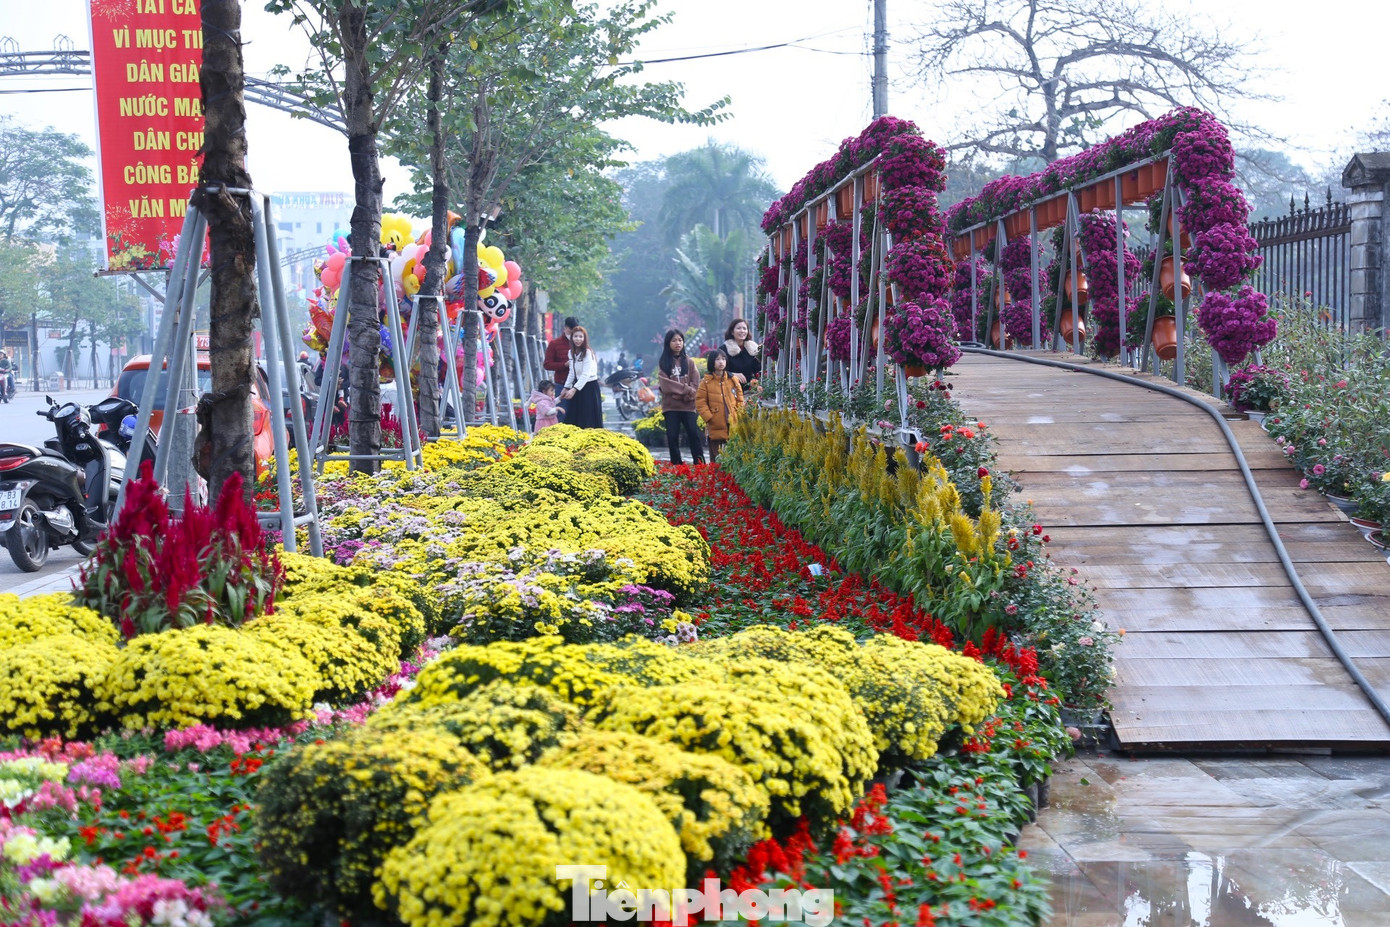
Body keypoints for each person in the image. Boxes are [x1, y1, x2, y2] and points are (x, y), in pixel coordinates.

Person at [658, 329, 704, 465]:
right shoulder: (664, 363)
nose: (678, 343)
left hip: (688, 405)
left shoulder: (689, 362)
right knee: (672, 437)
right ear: (668, 343)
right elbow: (665, 385)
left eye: (680, 340)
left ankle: (700, 464)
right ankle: (677, 466)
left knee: (693, 435)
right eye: (674, 340)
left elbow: (696, 382)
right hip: (671, 407)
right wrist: (686, 390)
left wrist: (687, 393)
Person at [695, 349, 744, 463]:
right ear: (712, 362)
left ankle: (730, 477)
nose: (721, 362)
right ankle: (716, 477)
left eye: (723, 359)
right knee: (716, 454)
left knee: (734, 451)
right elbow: (700, 401)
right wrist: (709, 417)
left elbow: (740, 397)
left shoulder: (733, 379)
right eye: (717, 359)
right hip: (715, 422)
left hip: (733, 420)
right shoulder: (706, 382)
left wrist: (739, 412)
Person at [560, 325, 603, 428]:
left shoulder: (587, 352)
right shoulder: (571, 353)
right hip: (578, 386)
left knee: (588, 419)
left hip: (589, 387)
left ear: (584, 339)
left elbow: (586, 374)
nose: (578, 339)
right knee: (573, 418)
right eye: (575, 336)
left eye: (580, 337)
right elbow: (572, 372)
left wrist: (574, 389)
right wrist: (566, 387)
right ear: (572, 338)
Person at [723, 318, 761, 387]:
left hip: (752, 391)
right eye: (738, 328)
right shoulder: (723, 350)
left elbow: (759, 370)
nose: (742, 331)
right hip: (731, 390)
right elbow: (716, 371)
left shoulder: (754, 348)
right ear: (732, 332)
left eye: (744, 328)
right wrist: (732, 374)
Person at [544, 316, 579, 387]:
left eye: (574, 330)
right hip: (562, 383)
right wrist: (564, 365)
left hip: (578, 383)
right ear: (565, 328)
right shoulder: (554, 343)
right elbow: (547, 365)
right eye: (570, 330)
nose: (572, 333)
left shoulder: (580, 343)